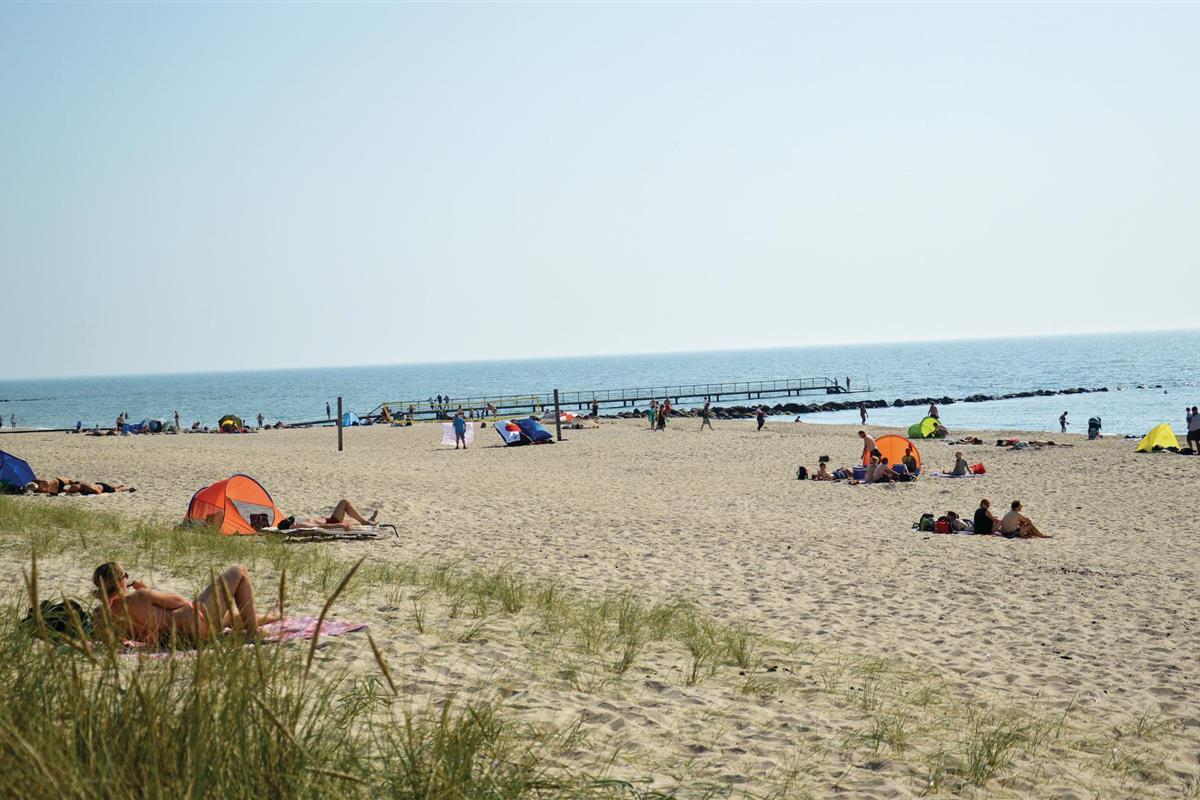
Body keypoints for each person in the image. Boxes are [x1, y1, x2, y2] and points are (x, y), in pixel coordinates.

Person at [92, 561, 276, 645]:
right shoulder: (139, 597)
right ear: (121, 581)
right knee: (239, 571)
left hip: (176, 641)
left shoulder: (99, 615)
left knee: (230, 617)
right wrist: (146, 591)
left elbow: (110, 641)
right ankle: (253, 632)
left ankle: (274, 616)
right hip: (194, 625)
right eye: (125, 575)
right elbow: (178, 602)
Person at [278, 499, 377, 531]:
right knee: (344, 502)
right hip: (331, 522)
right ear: (290, 527)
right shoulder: (302, 525)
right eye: (291, 524)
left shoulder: (299, 524)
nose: (294, 523)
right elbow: (321, 527)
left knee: (353, 521)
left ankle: (367, 521)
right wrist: (339, 525)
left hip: (329, 520)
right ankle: (365, 522)